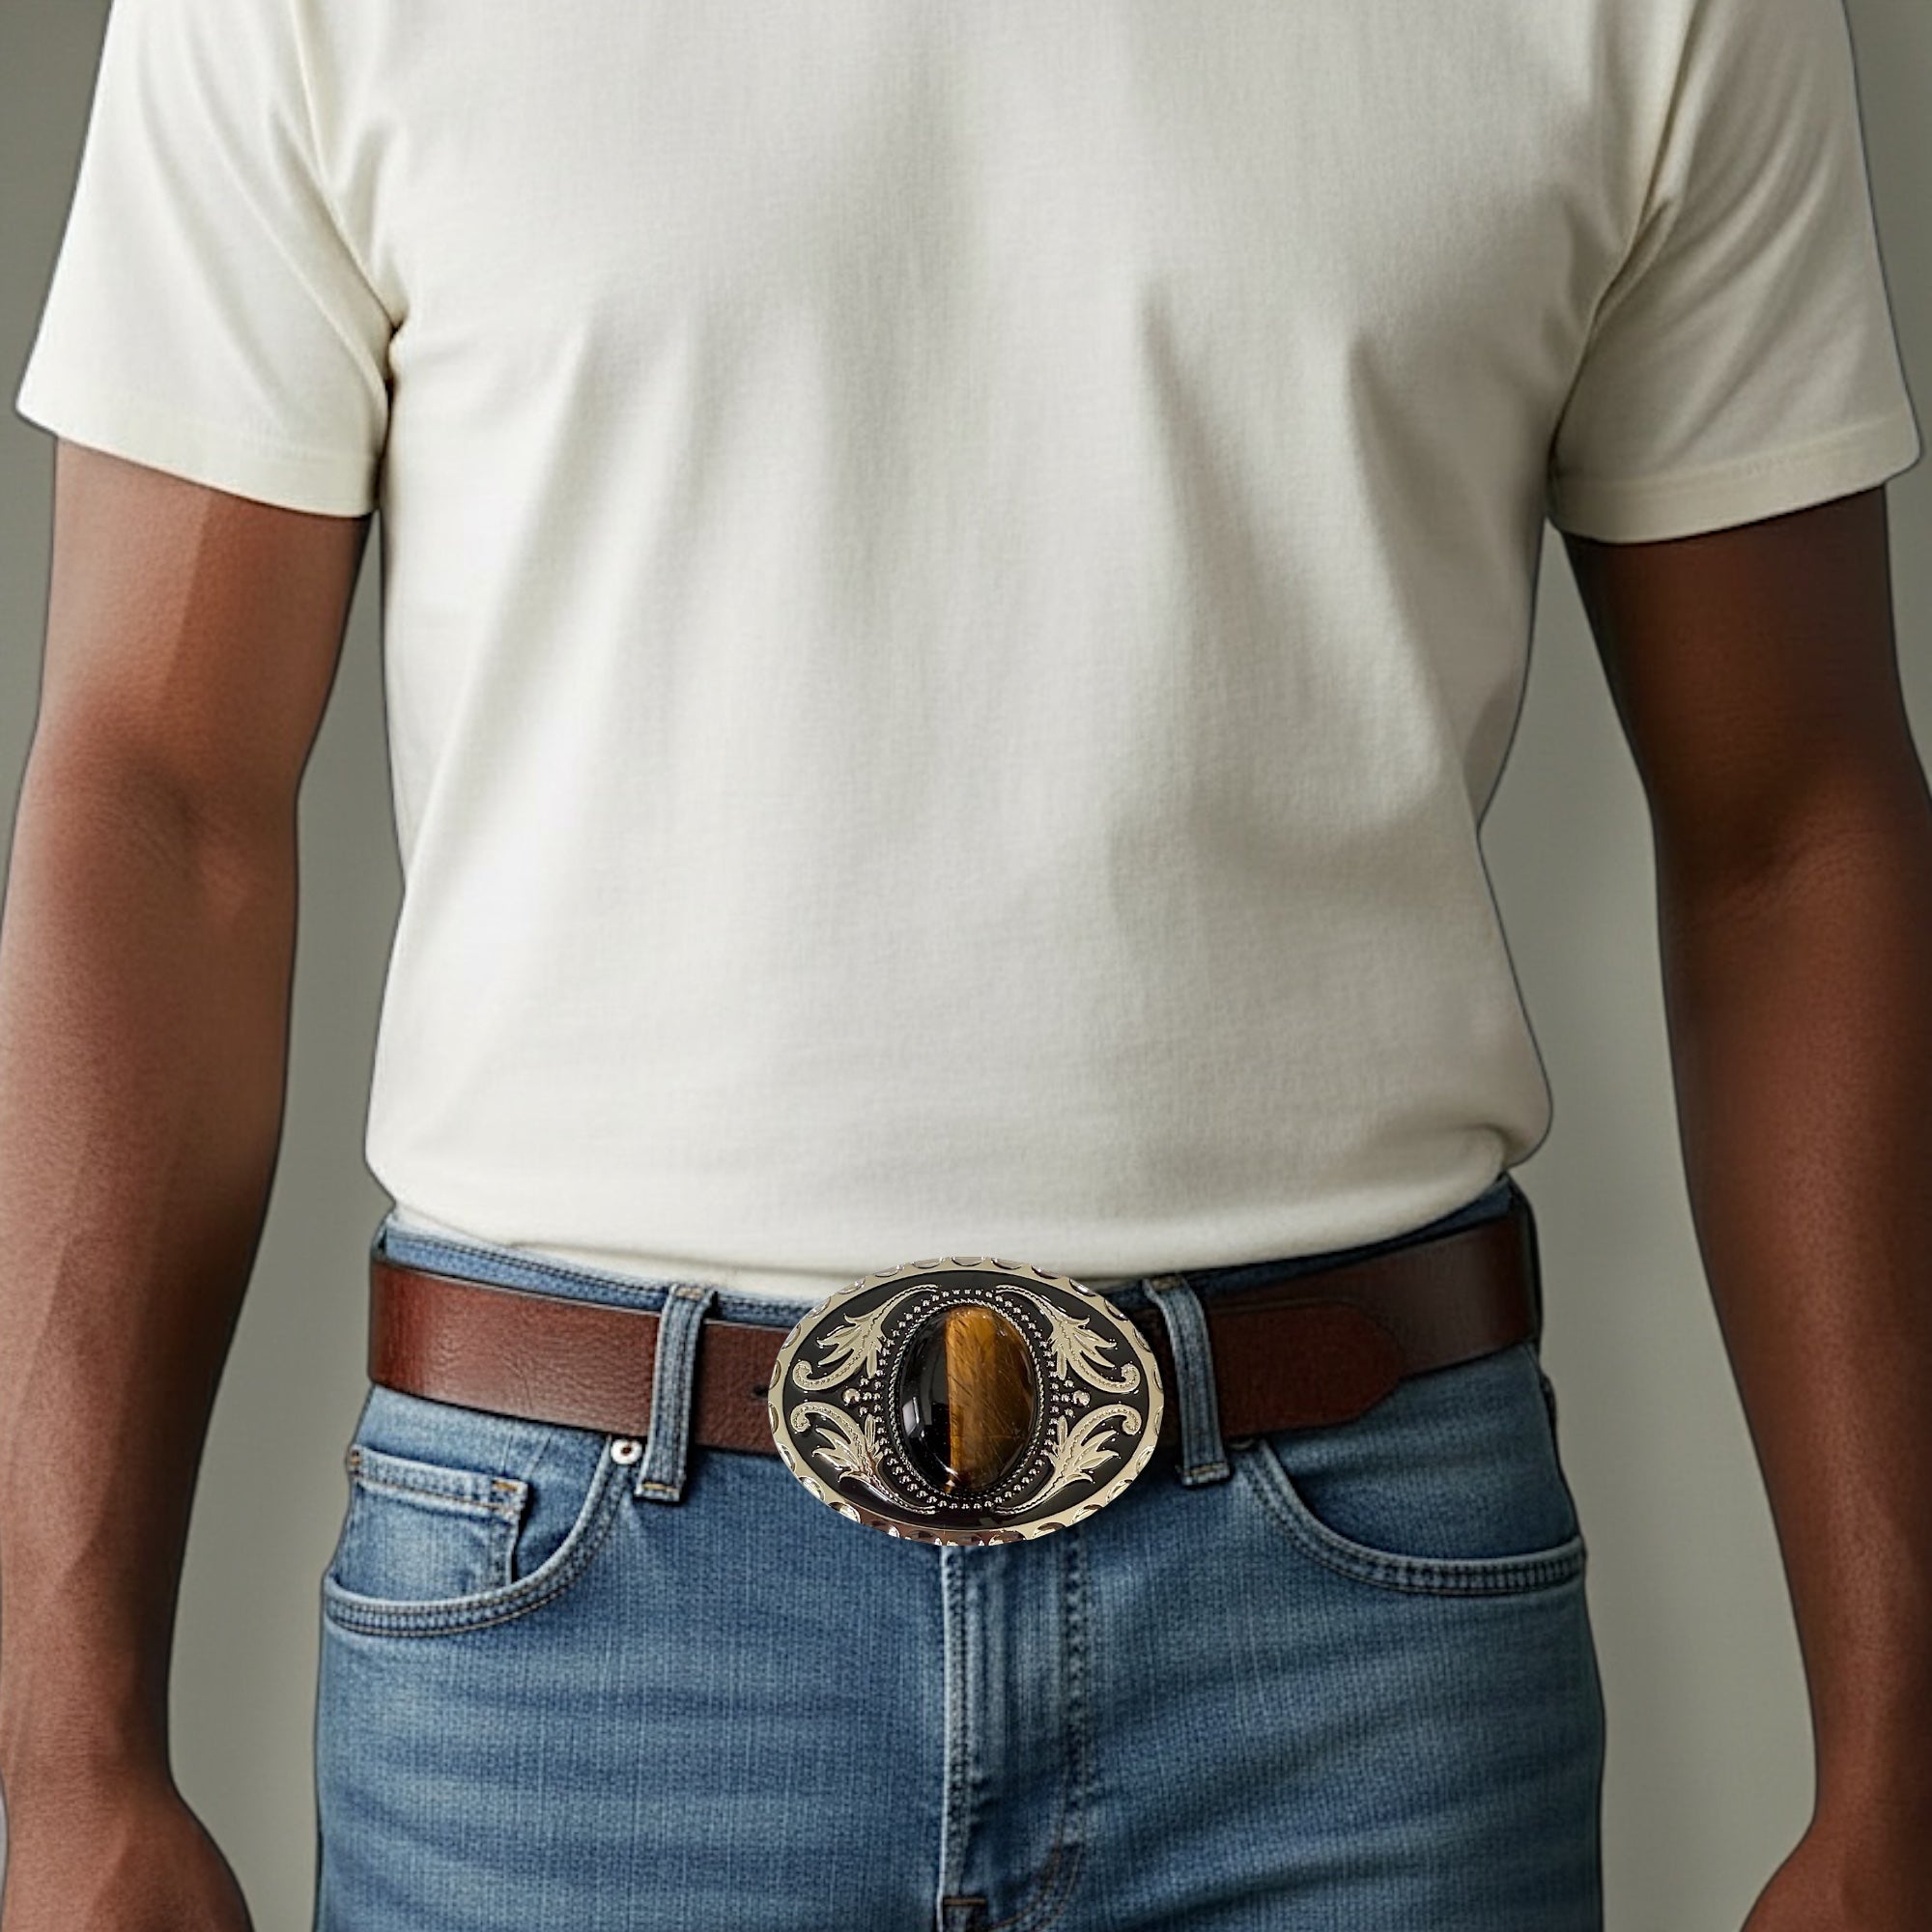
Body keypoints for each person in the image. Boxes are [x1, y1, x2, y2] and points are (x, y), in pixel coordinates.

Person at [1, 0, 1926, 1924]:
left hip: (1348, 1655)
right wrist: (69, 1760)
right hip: (569, 1636)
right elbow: (162, 804)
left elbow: (1797, 831)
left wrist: (1900, 1771)